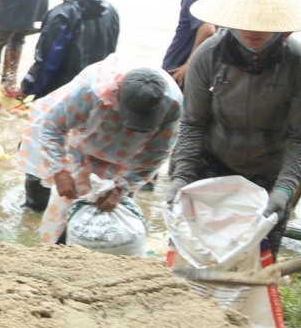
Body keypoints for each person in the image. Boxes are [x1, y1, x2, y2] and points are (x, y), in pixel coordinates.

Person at [166, 0, 301, 256]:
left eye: (264, 23)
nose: (254, 30)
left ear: (284, 29)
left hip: (268, 170)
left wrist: (285, 188)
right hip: (212, 161)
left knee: (254, 257)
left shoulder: (300, 66)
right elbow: (193, 123)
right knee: (192, 251)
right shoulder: (208, 55)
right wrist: (182, 176)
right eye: (246, 20)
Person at [18, 58, 181, 245]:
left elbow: (157, 151)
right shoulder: (91, 91)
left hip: (126, 157)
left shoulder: (173, 105)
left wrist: (123, 186)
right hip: (82, 147)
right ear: (117, 94)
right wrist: (58, 170)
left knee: (112, 213)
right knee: (66, 207)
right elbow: (51, 126)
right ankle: (57, 247)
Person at [19, 0, 121, 211]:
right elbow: (112, 58)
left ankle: (36, 206)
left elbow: (47, 62)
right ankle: (78, 204)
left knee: (39, 149)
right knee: (83, 155)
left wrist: (27, 87)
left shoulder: (61, 14)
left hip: (59, 97)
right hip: (98, 99)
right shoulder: (111, 11)